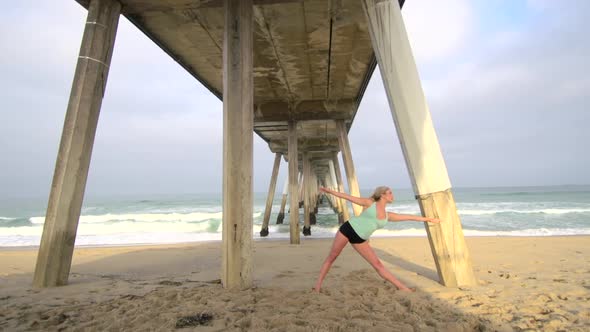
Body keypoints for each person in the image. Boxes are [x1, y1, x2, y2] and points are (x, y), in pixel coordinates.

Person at [313, 186, 441, 293]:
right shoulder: (370, 203)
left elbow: (408, 217)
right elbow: (347, 197)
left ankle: (403, 288)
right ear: (382, 195)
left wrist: (429, 219)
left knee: (378, 265)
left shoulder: (387, 216)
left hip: (360, 239)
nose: (392, 195)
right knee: (332, 257)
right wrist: (329, 192)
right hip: (348, 229)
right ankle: (318, 286)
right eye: (390, 193)